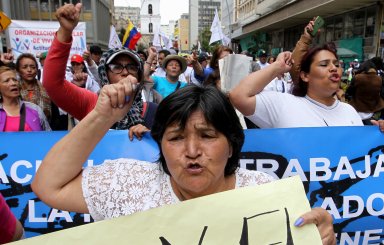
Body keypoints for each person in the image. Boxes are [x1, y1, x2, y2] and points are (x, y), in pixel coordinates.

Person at [32, 85, 335, 244]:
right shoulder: (127, 184)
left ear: (231, 143)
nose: (192, 151)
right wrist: (102, 117)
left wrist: (318, 239)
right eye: (176, 138)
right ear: (160, 144)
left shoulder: (266, 195)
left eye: (206, 136)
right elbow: (49, 186)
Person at [230, 19, 384, 132]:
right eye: (324, 64)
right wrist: (277, 67)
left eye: (337, 64)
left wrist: (378, 134)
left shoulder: (350, 112)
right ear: (305, 76)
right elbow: (238, 96)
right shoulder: (283, 105)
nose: (333, 68)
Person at [43, 3, 155, 132]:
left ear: (139, 75)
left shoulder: (153, 111)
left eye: (132, 67)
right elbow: (52, 84)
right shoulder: (92, 104)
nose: (125, 72)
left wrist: (150, 136)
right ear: (105, 74)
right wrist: (65, 32)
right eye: (117, 67)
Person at [0, 66, 51, 131]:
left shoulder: (34, 109)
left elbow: (48, 135)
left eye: (15, 80)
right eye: (7, 81)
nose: (13, 83)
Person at [346, 60, 384, 124]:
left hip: (357, 110)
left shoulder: (358, 78)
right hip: (373, 111)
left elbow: (349, 92)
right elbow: (381, 93)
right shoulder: (379, 79)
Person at [16, 53, 52, 121]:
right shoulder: (13, 90)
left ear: (36, 70)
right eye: (25, 67)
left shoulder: (46, 89)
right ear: (18, 71)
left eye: (33, 67)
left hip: (43, 129)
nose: (29, 70)